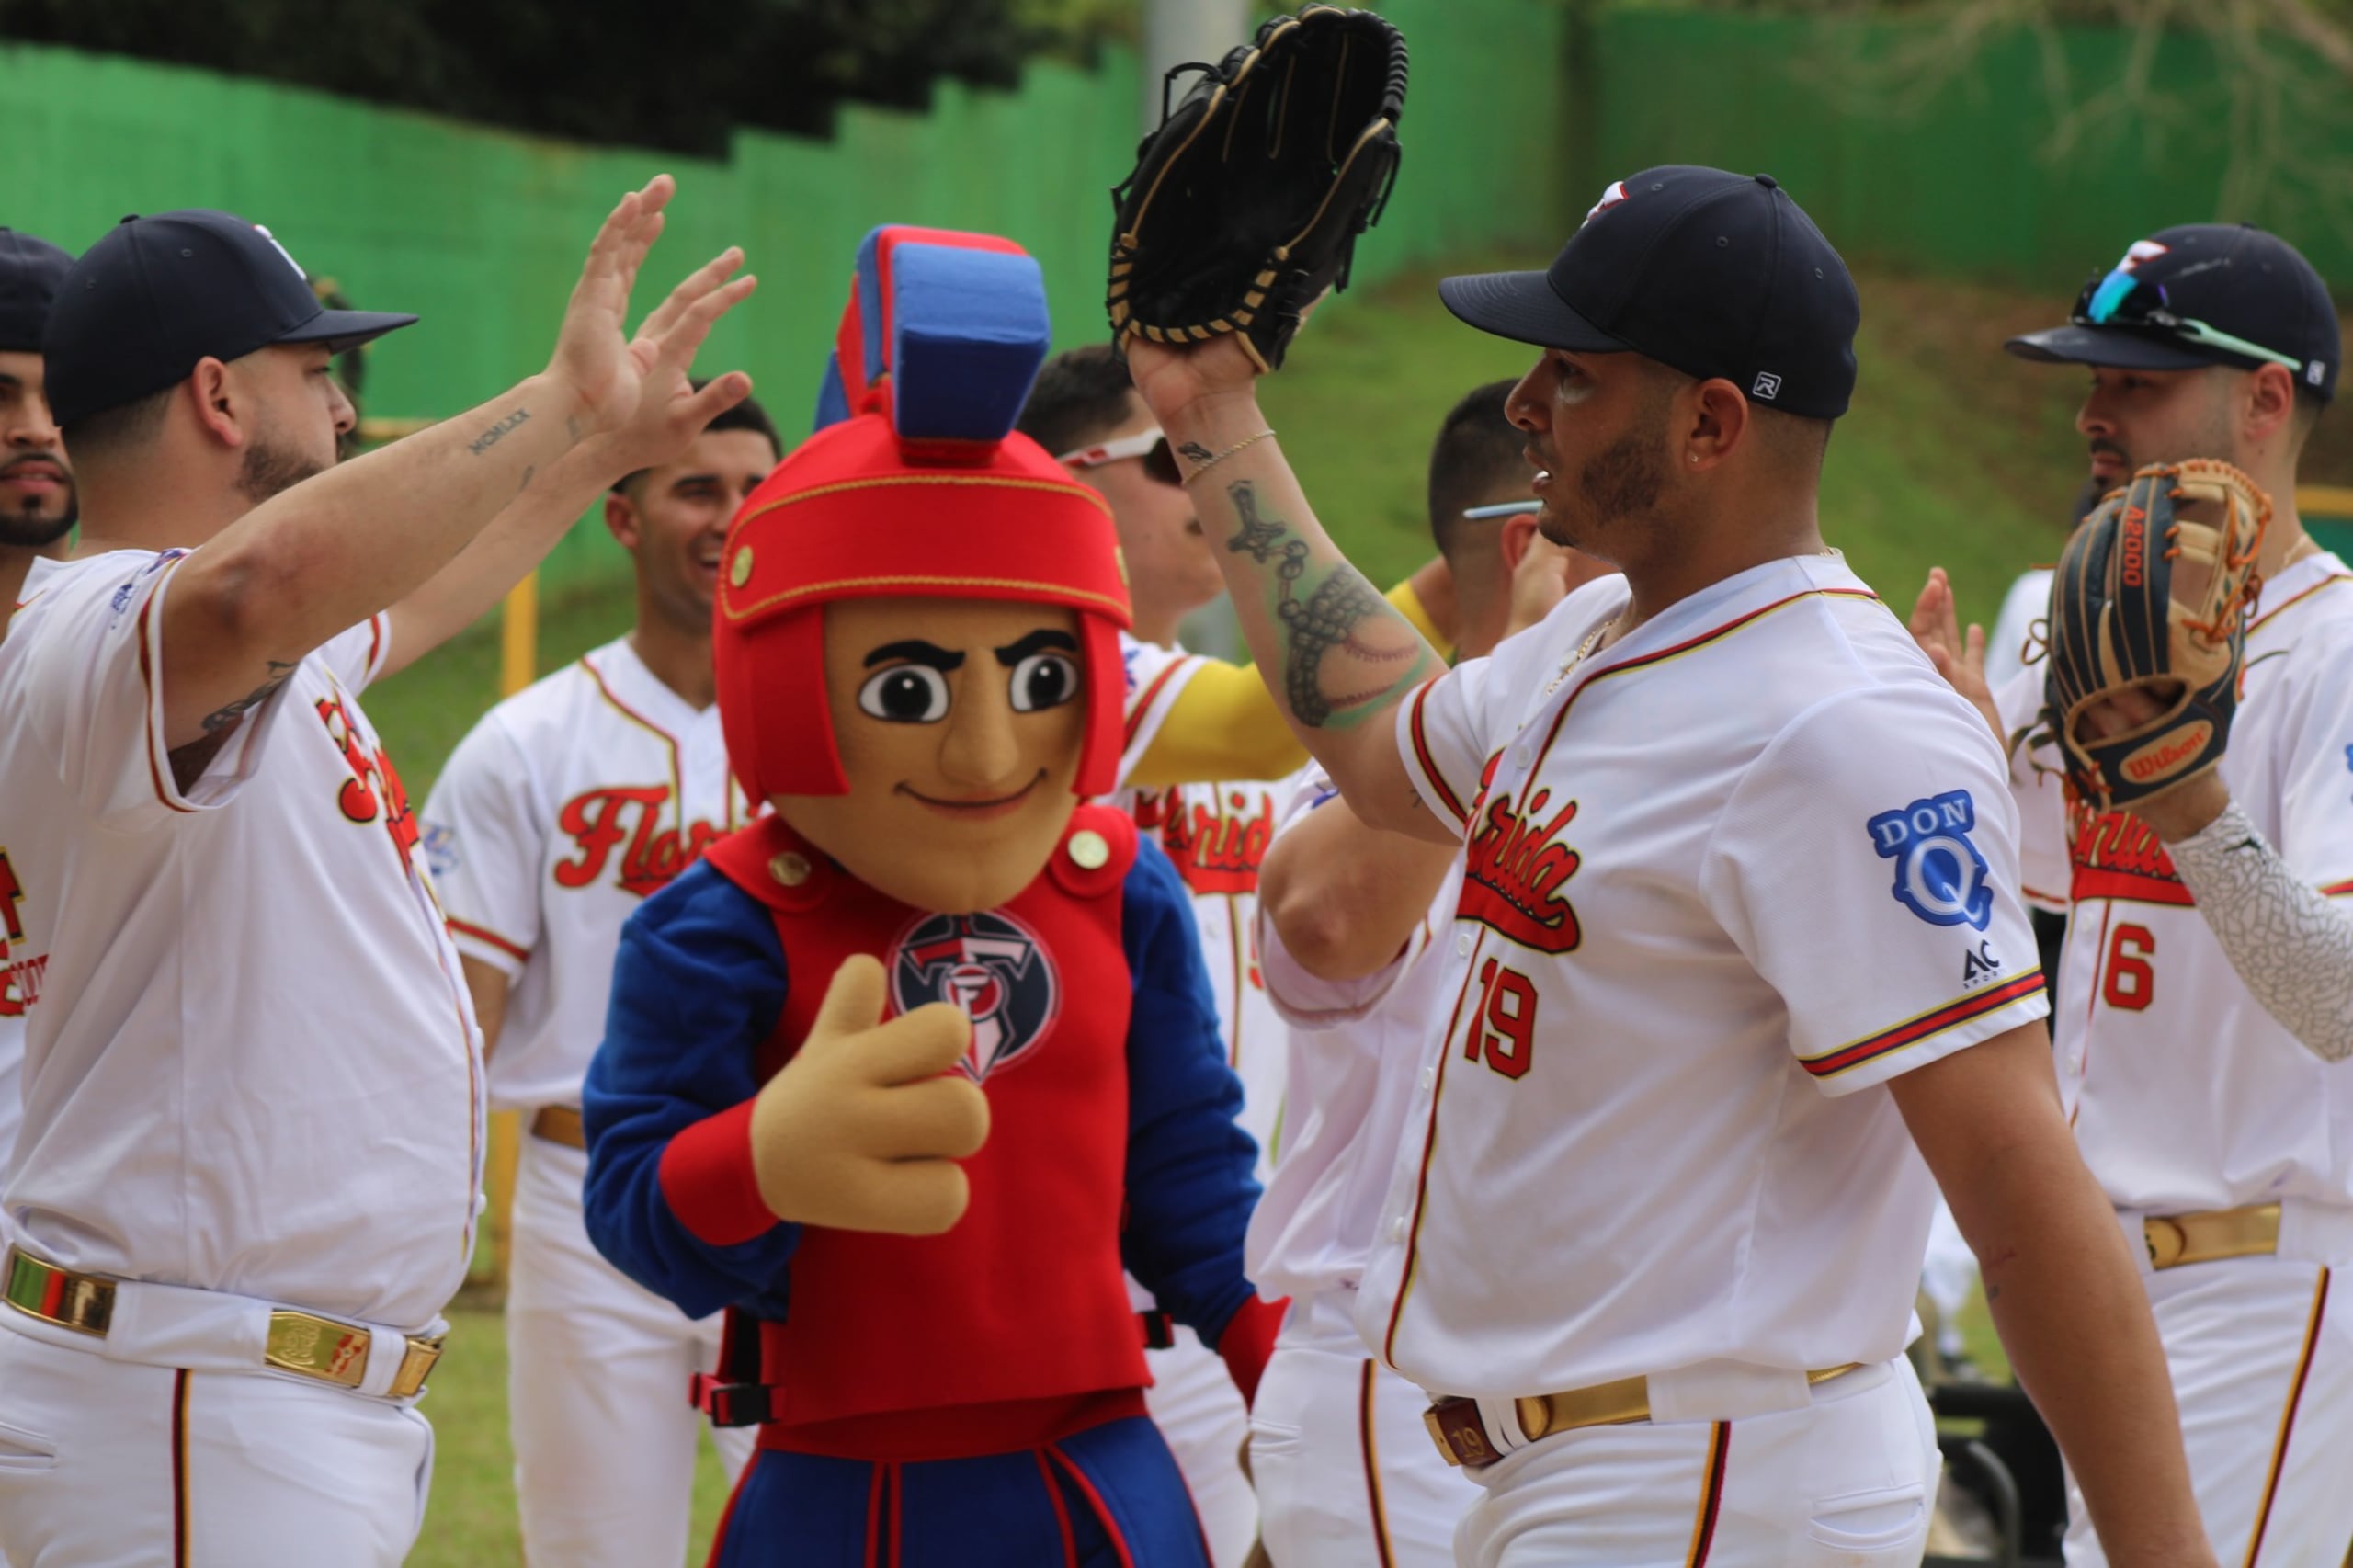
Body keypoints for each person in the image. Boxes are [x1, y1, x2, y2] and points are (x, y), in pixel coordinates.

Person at [1122, 163, 2212, 1564]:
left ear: (1709, 423)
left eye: (1574, 373)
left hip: (1709, 1471)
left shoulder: (1840, 725)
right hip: (1597, 1469)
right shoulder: (1593, 643)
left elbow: (2021, 1188)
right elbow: (1378, 737)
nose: (1525, 403)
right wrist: (1211, 414)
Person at [0, 179, 755, 1564]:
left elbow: (421, 583)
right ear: (219, 396)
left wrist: (597, 447)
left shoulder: (223, 653)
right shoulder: (109, 627)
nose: (344, 410)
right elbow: (259, 586)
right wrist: (555, 399)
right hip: (191, 1397)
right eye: (317, 371)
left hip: (235, 1393)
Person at [581, 223, 1279, 1568]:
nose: (983, 750)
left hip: (1096, 1465)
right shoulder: (724, 918)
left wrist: (1284, 1356)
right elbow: (634, 1211)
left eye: (1037, 679)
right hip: (841, 1485)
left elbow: (1187, 1167)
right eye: (907, 688)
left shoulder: (1114, 881)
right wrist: (758, 1159)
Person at [1913, 222, 2353, 1566]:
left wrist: (2190, 805)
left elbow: (2341, 999)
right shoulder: (2103, 627)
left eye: (2136, 382)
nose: (2093, 413)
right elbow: (2044, 899)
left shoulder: (2337, 650)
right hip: (2105, 1282)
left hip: (2270, 1273)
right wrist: (1964, 762)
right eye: (2091, 379)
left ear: (2265, 398)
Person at [1019, 343, 1453, 1566]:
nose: (1204, 490)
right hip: (1082, 1289)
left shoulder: (1209, 695)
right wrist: (1465, 580)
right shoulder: (1045, 679)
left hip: (1230, 1270)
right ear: (1069, 481)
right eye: (1174, 461)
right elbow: (1268, 726)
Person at [420, 388, 780, 1567]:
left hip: (794, 1188)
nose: (730, 516)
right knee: (592, 1549)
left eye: (755, 489)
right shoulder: (526, 742)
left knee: (828, 1533)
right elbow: (454, 1022)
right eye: (697, 489)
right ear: (623, 518)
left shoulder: (841, 730)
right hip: (588, 1198)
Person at [1246, 379, 1603, 1565]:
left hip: (1585, 1380)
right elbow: (1328, 920)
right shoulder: (1378, 778)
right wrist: (1520, 674)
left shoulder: (1631, 757)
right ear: (1533, 547)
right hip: (1392, 1383)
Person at [0, 227, 76, 1196]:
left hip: (91, 1240)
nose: (34, 428)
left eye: (60, 397)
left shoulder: (158, 644)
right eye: (0, 394)